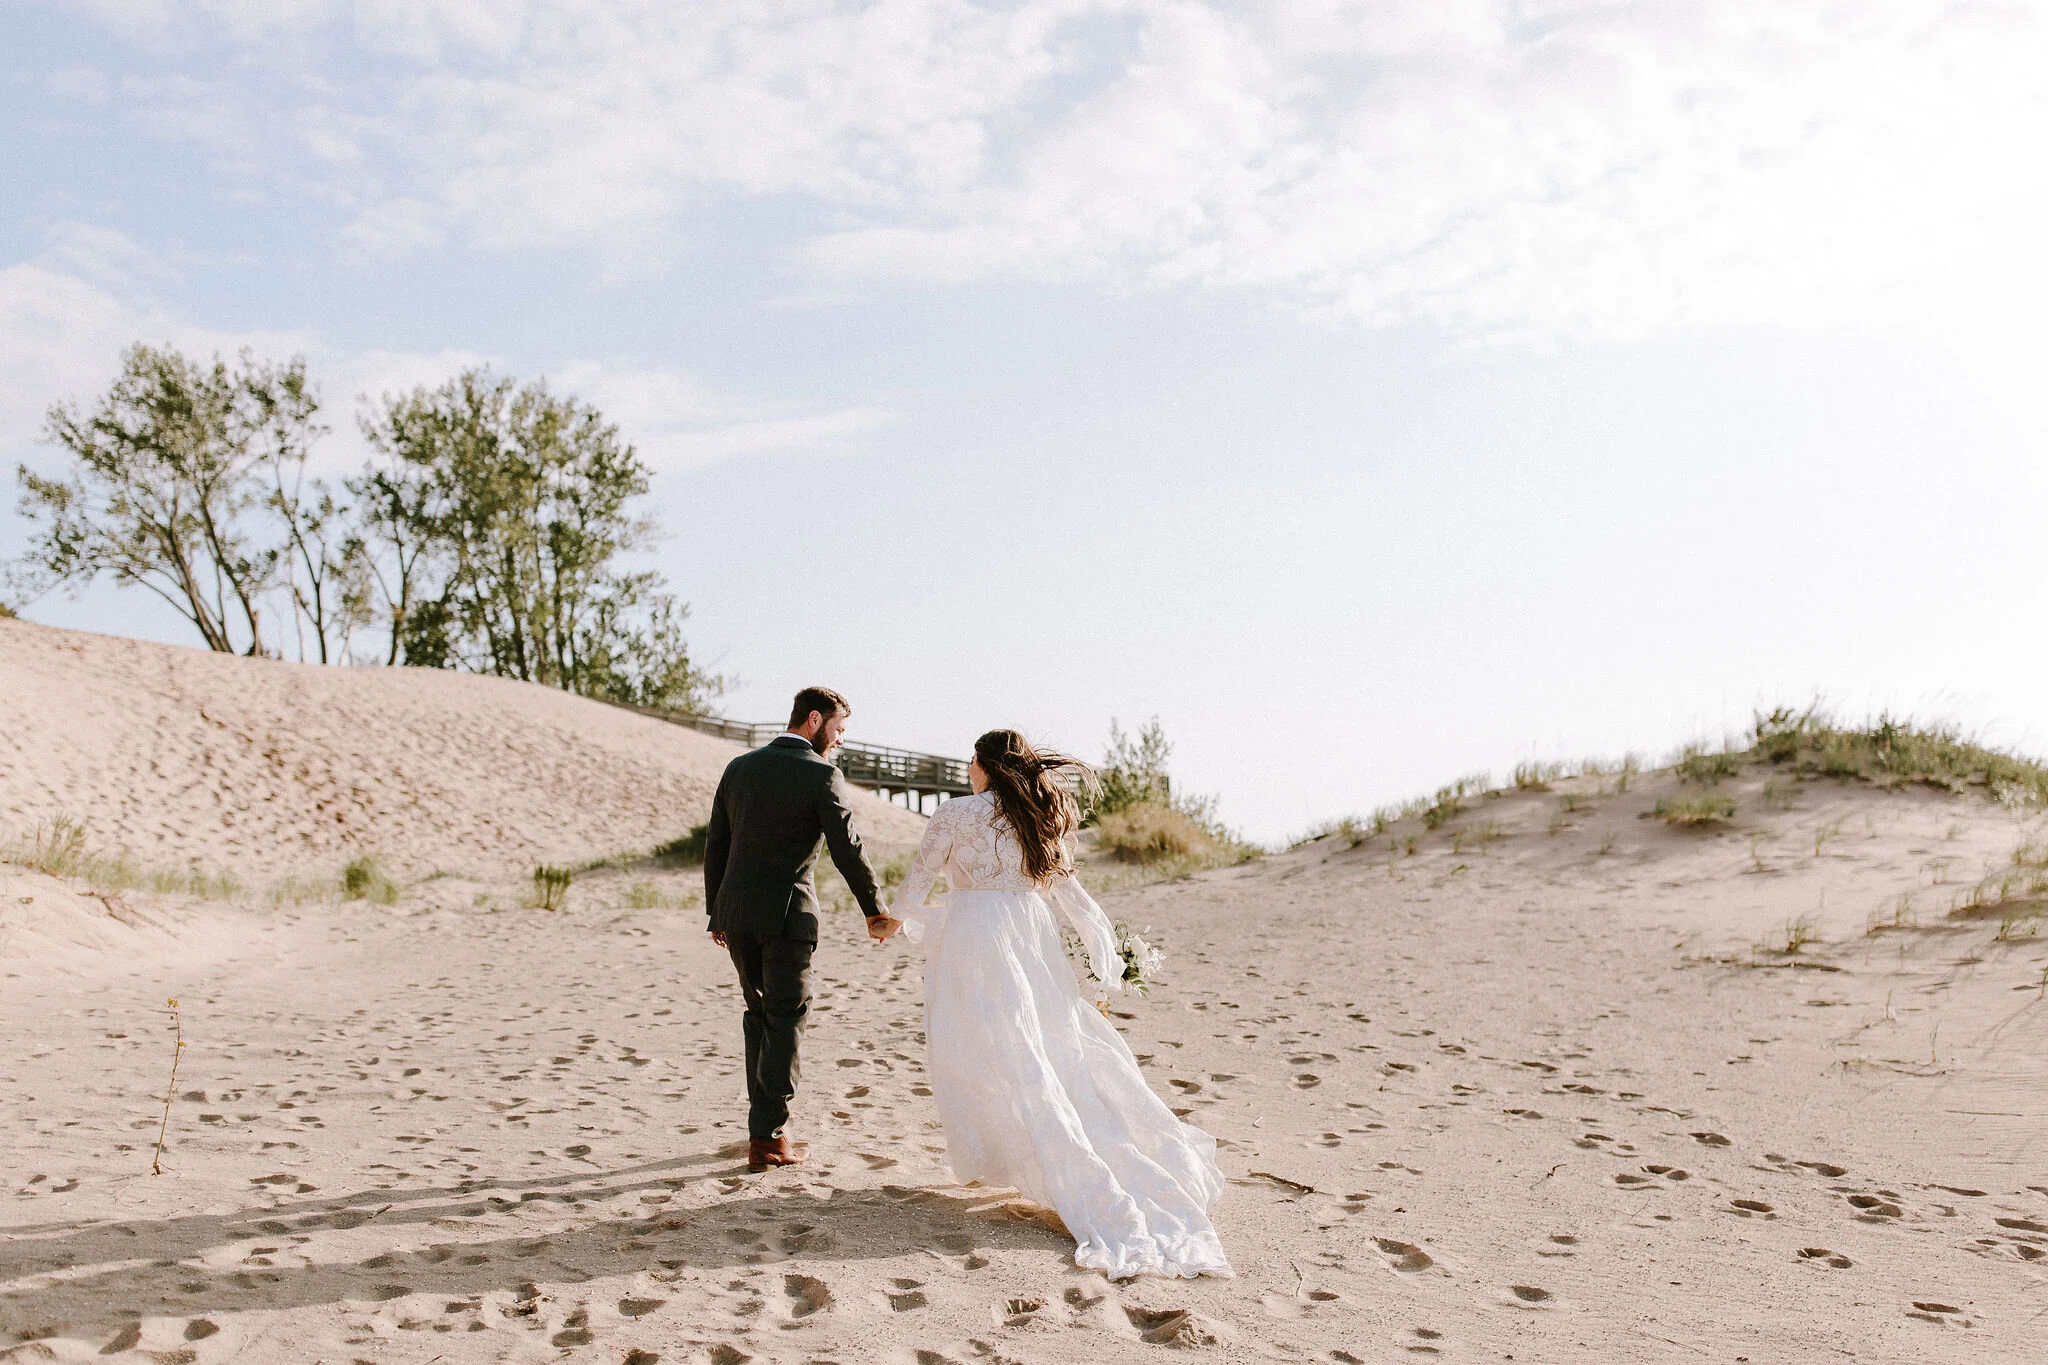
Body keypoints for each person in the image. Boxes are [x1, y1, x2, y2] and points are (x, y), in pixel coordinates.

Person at [893, 728, 1232, 1280]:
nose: (967, 772)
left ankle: (1035, 1156)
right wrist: (1105, 956)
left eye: (970, 763)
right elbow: (1071, 893)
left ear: (982, 765)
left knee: (984, 1049)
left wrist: (892, 918)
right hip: (1030, 934)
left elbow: (919, 881)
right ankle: (1033, 1150)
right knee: (1046, 1042)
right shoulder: (1039, 815)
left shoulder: (954, 813)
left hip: (975, 937)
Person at [703, 685, 902, 1173]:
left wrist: (717, 912)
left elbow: (717, 844)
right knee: (785, 1020)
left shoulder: (739, 768)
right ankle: (768, 1141)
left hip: (737, 916)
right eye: (837, 729)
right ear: (814, 720)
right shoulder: (821, 774)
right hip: (788, 916)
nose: (839, 741)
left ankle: (763, 1129)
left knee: (759, 1016)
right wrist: (874, 910)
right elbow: (847, 848)